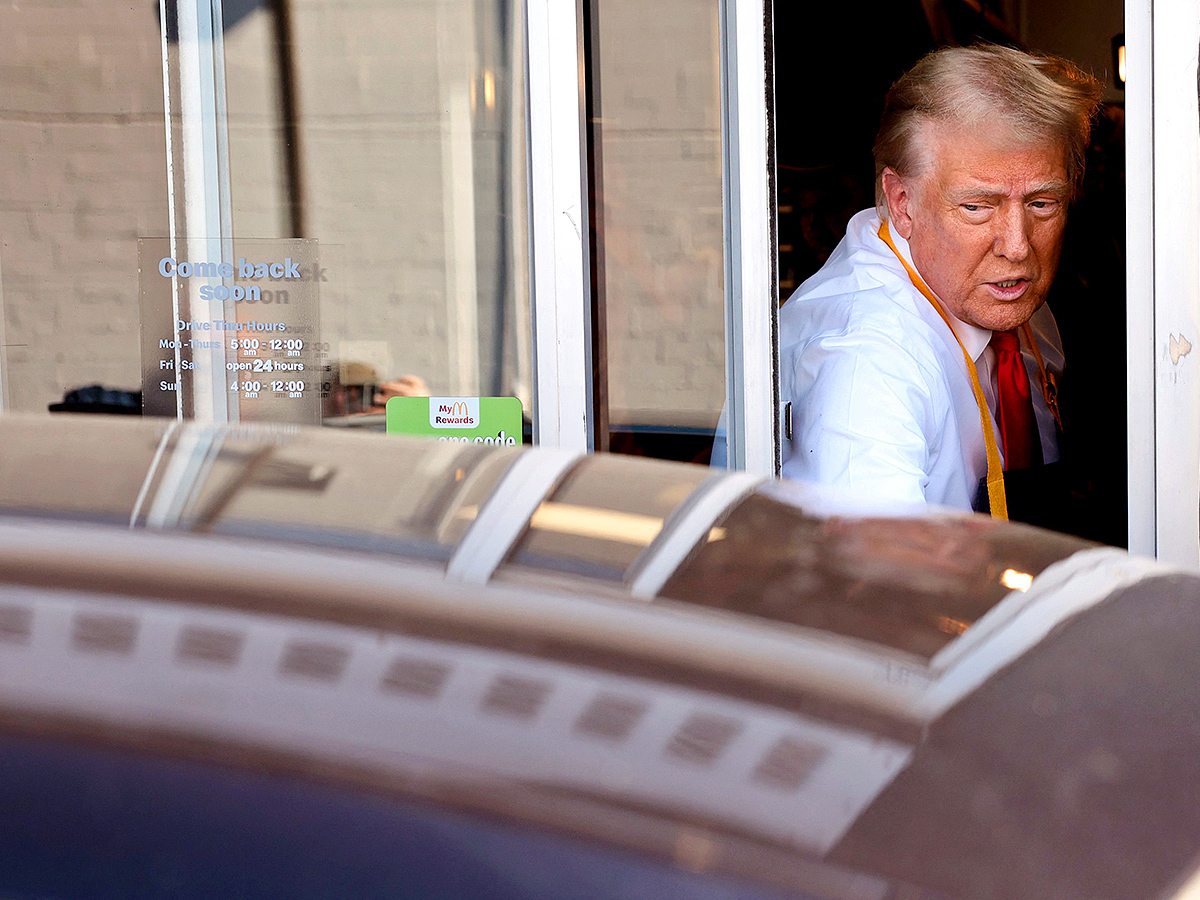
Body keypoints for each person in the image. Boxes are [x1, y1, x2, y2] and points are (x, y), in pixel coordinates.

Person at [779, 44, 1103, 518]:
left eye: (1042, 204)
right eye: (976, 207)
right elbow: (887, 583)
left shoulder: (1003, 293)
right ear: (903, 203)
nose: (1017, 246)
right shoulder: (866, 366)